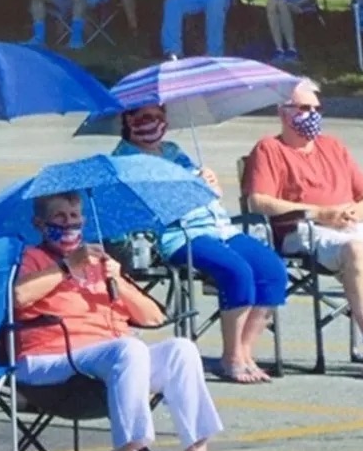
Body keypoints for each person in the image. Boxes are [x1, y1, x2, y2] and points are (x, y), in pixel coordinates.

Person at [15, 191, 235, 451]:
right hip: (50, 360)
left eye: (75, 216)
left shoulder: (99, 263)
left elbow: (154, 317)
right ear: (40, 224)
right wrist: (65, 267)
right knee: (129, 349)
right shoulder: (31, 259)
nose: (68, 224)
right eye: (59, 217)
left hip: (107, 362)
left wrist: (117, 280)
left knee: (180, 350)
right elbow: (17, 297)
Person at [113, 105, 287, 383]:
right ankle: (232, 357)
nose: (153, 123)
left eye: (159, 117)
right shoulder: (125, 160)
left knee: (272, 269)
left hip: (218, 226)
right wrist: (191, 187)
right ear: (128, 119)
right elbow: (148, 208)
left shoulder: (172, 151)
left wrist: (210, 183)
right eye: (145, 117)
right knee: (237, 271)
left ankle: (245, 352)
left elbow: (206, 192)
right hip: (179, 234)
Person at [244, 79, 363, 377]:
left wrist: (358, 210)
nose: (313, 115)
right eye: (305, 108)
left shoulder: (333, 146)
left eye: (317, 109)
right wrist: (320, 213)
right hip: (304, 230)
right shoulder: (269, 149)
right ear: (283, 112)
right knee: (354, 250)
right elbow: (258, 201)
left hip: (354, 225)